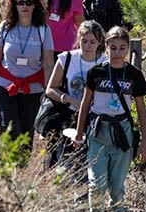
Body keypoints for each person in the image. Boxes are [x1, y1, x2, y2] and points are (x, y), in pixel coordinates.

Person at [73, 26, 146, 212]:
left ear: (128, 49)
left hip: (123, 133)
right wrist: (79, 134)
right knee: (96, 184)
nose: (118, 52)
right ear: (105, 47)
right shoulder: (96, 73)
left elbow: (141, 109)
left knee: (117, 187)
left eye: (122, 48)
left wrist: (144, 142)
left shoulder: (134, 75)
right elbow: (85, 103)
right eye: (113, 47)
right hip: (98, 132)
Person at [0, 0, 54, 152]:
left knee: (25, 135)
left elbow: (48, 63)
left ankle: (21, 173)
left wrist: (48, 89)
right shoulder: (6, 27)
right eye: (20, 2)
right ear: (13, 5)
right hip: (5, 85)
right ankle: (6, 170)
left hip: (33, 89)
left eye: (29, 2)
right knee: (8, 129)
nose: (24, 6)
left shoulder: (44, 30)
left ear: (35, 5)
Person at [41, 20, 104, 171]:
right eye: (84, 41)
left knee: (88, 160)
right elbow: (51, 89)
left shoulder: (104, 62)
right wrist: (68, 99)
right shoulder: (66, 58)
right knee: (63, 160)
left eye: (92, 42)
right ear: (78, 40)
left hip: (94, 117)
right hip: (67, 116)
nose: (88, 46)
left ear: (99, 42)